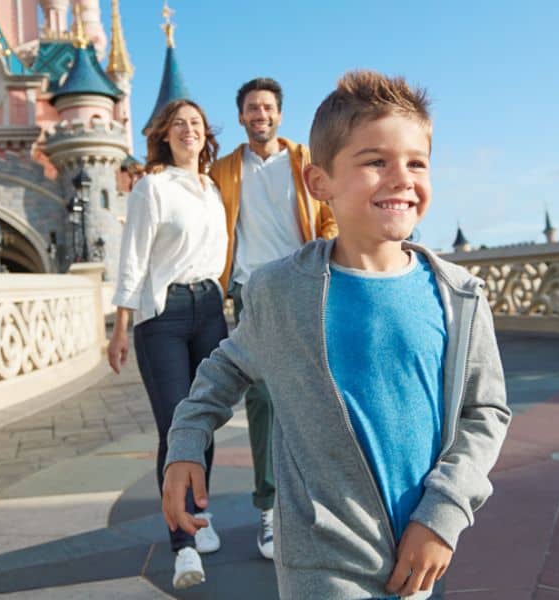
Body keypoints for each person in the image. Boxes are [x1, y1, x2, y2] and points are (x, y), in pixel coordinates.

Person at [160, 71, 511, 598]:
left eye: (417, 162)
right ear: (319, 183)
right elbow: (226, 366)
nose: (401, 178)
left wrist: (444, 512)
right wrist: (186, 440)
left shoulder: (459, 295)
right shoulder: (281, 292)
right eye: (375, 162)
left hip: (420, 551)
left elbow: (486, 411)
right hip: (320, 558)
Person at [209, 76, 338, 560]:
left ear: (279, 114)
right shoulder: (224, 170)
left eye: (267, 107)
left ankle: (320, 501)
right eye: (251, 108)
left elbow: (329, 214)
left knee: (317, 391)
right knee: (262, 397)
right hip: (251, 291)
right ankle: (269, 506)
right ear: (241, 117)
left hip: (302, 282)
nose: (259, 115)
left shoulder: (306, 161)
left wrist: (321, 252)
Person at [106, 99, 227, 590]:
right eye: (179, 124)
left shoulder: (213, 189)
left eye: (195, 123)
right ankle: (183, 548)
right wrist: (120, 327)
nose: (188, 130)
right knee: (176, 427)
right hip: (165, 316)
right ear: (164, 135)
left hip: (210, 310)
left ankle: (198, 510)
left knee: (205, 423)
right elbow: (132, 260)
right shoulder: (152, 188)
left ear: (204, 135)